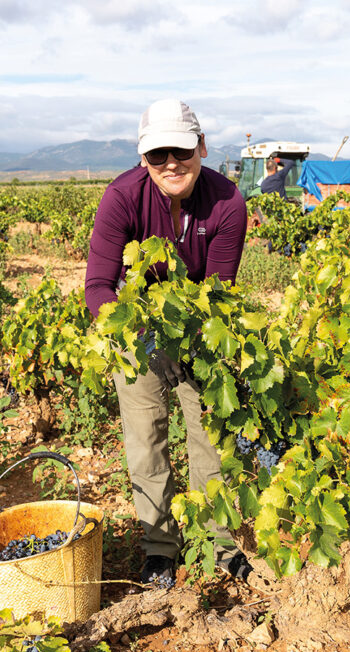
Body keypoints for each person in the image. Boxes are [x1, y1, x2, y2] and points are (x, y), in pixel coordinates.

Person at [85, 98, 251, 586]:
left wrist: (196, 342)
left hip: (200, 329)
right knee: (146, 440)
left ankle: (220, 543)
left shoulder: (228, 202)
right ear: (143, 158)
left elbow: (219, 290)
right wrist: (132, 331)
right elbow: (97, 285)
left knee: (212, 440)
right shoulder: (121, 198)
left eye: (180, 150)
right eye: (157, 155)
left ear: (201, 147)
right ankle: (160, 547)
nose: (170, 164)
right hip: (135, 332)